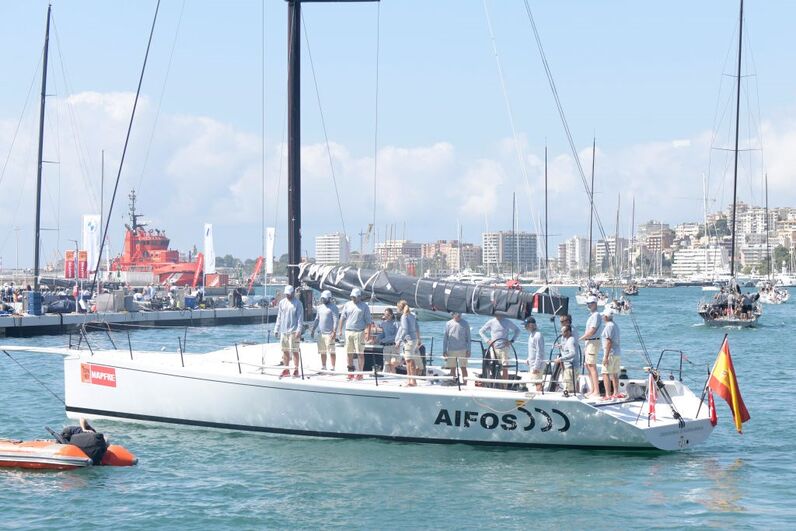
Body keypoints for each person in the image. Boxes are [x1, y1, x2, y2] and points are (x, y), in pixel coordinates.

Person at [337, 288, 373, 381]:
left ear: (359, 297)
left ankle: (360, 373)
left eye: (355, 297)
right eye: (352, 297)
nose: (353, 298)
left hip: (359, 332)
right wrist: (340, 329)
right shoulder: (347, 304)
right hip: (348, 331)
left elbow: (369, 322)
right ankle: (350, 372)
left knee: (360, 353)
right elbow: (342, 317)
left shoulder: (364, 306)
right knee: (349, 353)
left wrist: (368, 334)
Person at [479, 313, 520, 385]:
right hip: (494, 348)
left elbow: (517, 330)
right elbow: (481, 331)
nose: (497, 315)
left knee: (505, 367)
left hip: (504, 348)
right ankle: (495, 384)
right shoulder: (491, 322)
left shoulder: (507, 321)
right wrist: (487, 340)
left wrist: (512, 341)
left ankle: (505, 386)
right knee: (493, 366)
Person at [274, 285, 304, 378]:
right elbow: (279, 316)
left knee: (295, 351)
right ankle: (286, 369)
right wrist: (276, 329)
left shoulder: (298, 303)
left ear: (293, 293)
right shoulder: (282, 303)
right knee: (285, 351)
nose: (287, 295)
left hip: (294, 331)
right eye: (286, 294)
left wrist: (299, 329)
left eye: (289, 294)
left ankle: (296, 370)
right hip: (284, 331)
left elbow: (300, 318)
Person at [578, 297, 602, 398]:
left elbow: (592, 331)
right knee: (588, 366)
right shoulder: (592, 315)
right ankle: (592, 389)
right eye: (587, 303)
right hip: (589, 342)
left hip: (593, 342)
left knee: (592, 366)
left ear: (595, 303)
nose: (588, 305)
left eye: (590, 303)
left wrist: (580, 339)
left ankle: (596, 391)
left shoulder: (596, 315)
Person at [310, 290, 339, 371]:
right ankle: (324, 366)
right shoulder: (320, 307)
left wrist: (334, 331)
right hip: (321, 333)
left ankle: (333, 367)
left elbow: (336, 320)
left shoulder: (334, 307)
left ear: (329, 298)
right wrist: (313, 330)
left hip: (329, 333)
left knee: (331, 351)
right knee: (322, 351)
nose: (323, 300)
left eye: (325, 298)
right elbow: (317, 319)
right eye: (322, 298)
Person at [395, 300, 422, 386]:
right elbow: (417, 328)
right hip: (414, 340)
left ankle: (412, 381)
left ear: (400, 308)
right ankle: (410, 380)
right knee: (410, 360)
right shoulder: (412, 316)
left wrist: (399, 340)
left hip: (409, 341)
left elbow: (405, 330)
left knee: (409, 361)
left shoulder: (404, 316)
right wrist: (419, 339)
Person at [600, 307, 623, 400]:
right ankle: (616, 392)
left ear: (606, 317)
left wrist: (605, 356)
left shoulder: (608, 326)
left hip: (610, 353)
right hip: (617, 352)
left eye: (603, 316)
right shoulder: (615, 325)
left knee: (605, 373)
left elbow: (609, 342)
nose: (602, 317)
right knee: (614, 373)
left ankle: (608, 394)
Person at [442, 312, 471, 384]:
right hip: (451, 349)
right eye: (456, 313)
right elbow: (445, 338)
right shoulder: (448, 323)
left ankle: (465, 383)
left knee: (463, 367)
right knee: (452, 368)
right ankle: (453, 382)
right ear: (452, 314)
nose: (458, 315)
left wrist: (469, 350)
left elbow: (469, 338)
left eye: (459, 313)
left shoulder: (465, 323)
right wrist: (444, 350)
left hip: (463, 349)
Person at [554, 325, 579, 393]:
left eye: (563, 332)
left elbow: (572, 353)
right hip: (570, 367)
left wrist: (560, 359)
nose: (561, 333)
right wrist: (561, 346)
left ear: (568, 332)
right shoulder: (569, 340)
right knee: (571, 387)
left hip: (570, 368)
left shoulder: (570, 341)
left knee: (569, 390)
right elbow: (567, 349)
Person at [524, 316, 545, 391]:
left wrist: (536, 367)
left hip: (537, 366)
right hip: (532, 364)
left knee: (538, 383)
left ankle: (540, 398)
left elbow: (540, 352)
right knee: (535, 382)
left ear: (531, 325)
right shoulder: (532, 335)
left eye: (526, 325)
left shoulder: (538, 335)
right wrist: (528, 359)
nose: (525, 327)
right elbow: (532, 349)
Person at [376, 308, 398, 373]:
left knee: (392, 364)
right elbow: (382, 334)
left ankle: (394, 377)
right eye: (385, 315)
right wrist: (378, 339)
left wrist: (384, 340)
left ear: (391, 315)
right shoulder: (383, 324)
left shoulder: (396, 323)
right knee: (386, 363)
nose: (386, 316)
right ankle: (387, 378)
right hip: (385, 346)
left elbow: (396, 336)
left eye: (388, 315)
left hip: (393, 346)